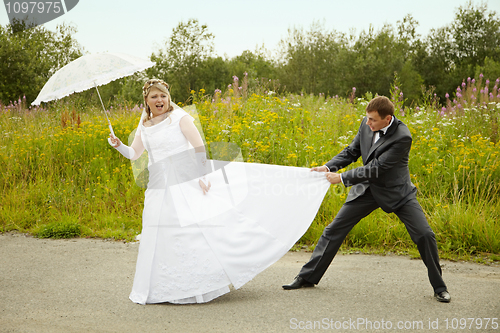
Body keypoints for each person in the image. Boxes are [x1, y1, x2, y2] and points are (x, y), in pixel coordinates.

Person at [108, 79, 331, 304]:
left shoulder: (179, 118)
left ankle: (195, 285)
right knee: (160, 235)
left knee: (189, 233)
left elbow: (199, 148)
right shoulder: (144, 124)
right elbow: (135, 154)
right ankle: (163, 287)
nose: (160, 100)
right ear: (146, 100)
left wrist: (202, 175)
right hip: (157, 187)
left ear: (169, 97)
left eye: (163, 96)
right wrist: (118, 144)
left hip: (183, 182)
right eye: (154, 96)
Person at [282, 96, 451, 303]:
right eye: (367, 118)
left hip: (396, 192)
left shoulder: (402, 137)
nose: (368, 123)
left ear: (387, 119)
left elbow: (377, 168)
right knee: (333, 229)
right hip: (366, 190)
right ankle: (307, 277)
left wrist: (342, 178)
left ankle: (439, 287)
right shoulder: (367, 123)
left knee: (425, 235)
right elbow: (352, 151)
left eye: (372, 120)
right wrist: (328, 167)